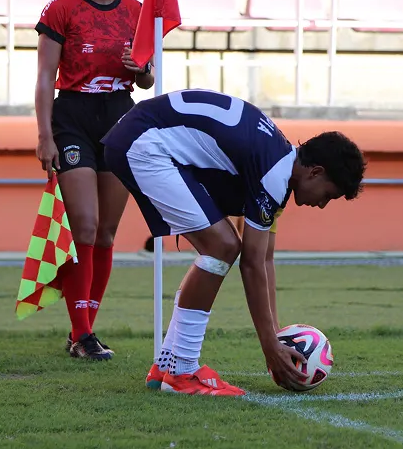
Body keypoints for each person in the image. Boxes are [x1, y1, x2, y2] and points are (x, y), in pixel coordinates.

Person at [102, 89, 366, 395]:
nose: (322, 205)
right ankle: (183, 371)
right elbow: (251, 264)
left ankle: (167, 365)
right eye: (328, 195)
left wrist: (278, 337)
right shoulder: (273, 172)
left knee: (223, 245)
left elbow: (265, 259)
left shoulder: (278, 166)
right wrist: (269, 345)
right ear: (315, 172)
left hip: (143, 137)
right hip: (144, 142)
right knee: (222, 246)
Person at [34, 0, 154, 360]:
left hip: (120, 116)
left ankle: (81, 332)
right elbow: (44, 78)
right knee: (83, 226)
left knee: (105, 233)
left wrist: (140, 70)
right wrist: (44, 135)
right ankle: (82, 335)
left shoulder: (137, 13)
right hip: (72, 118)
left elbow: (147, 78)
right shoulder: (61, 8)